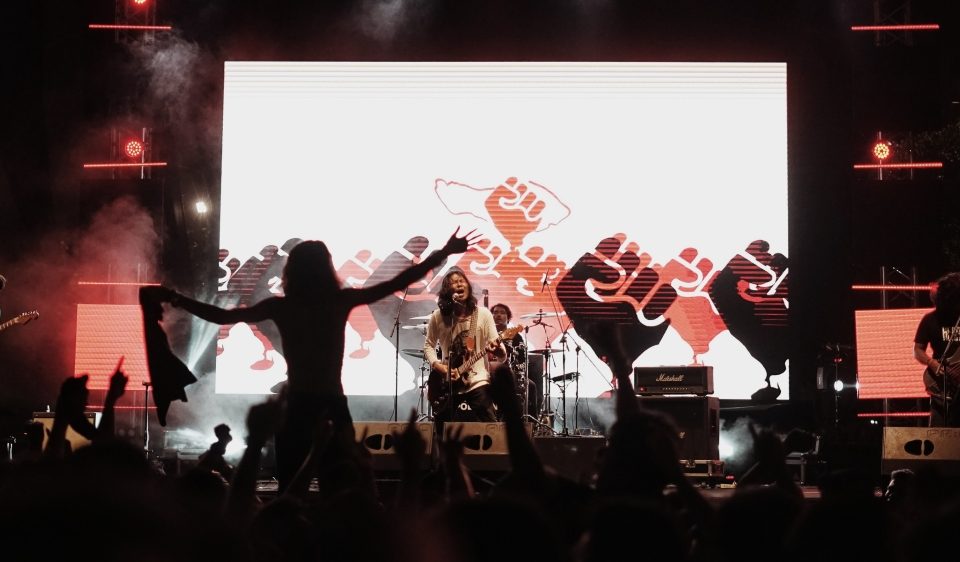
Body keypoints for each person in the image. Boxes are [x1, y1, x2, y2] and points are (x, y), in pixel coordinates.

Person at [155, 228, 478, 492]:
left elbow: (222, 316)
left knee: (290, 483)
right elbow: (395, 283)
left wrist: (175, 298)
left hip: (296, 404)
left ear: (291, 271)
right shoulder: (339, 300)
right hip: (331, 403)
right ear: (327, 268)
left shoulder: (281, 306)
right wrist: (444, 253)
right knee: (341, 486)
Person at [423, 269, 506, 422]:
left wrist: (498, 350)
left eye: (462, 281)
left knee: (490, 425)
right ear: (447, 291)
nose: (459, 284)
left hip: (477, 380)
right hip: (448, 382)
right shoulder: (438, 316)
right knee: (440, 427)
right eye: (454, 283)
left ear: (468, 286)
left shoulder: (483, 314)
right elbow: (428, 345)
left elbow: (501, 355)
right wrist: (437, 366)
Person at [914, 272, 960, 427]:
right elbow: (918, 350)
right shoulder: (930, 319)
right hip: (940, 384)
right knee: (938, 433)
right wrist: (931, 363)